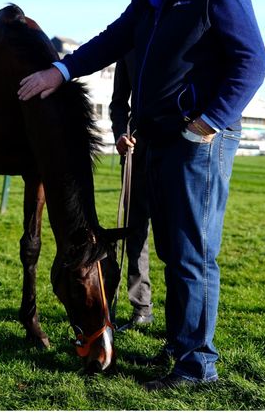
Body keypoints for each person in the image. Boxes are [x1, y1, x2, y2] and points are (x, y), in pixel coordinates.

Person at [18, 0, 265, 391]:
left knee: (193, 253)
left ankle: (197, 366)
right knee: (172, 250)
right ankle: (179, 346)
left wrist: (210, 119)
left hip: (199, 139)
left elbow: (252, 61)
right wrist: (61, 71)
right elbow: (114, 39)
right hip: (154, 136)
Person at [109, 59, 153, 331]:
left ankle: (182, 318)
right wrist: (120, 134)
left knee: (176, 239)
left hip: (175, 150)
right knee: (135, 232)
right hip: (135, 153)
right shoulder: (129, 45)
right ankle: (142, 308)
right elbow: (118, 103)